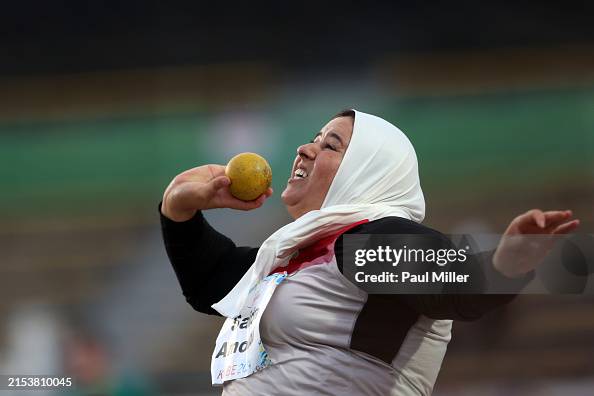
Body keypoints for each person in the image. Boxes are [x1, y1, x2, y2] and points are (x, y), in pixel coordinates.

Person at [159, 109, 579, 395]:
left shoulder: (370, 241)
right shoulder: (304, 255)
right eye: (313, 139)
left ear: (367, 171)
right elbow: (211, 281)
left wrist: (510, 259)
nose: (305, 149)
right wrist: (179, 206)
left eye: (331, 145)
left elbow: (459, 286)